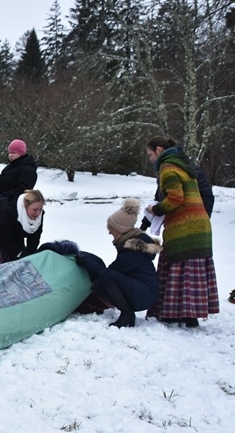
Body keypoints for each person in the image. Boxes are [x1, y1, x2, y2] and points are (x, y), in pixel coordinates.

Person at [144, 137, 219, 327]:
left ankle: (177, 314)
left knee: (177, 265)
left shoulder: (167, 167)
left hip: (184, 226)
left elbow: (175, 198)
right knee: (190, 269)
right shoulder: (184, 165)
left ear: (159, 149)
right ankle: (186, 314)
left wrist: (155, 210)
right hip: (199, 225)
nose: (150, 159)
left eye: (150, 154)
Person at [76, 199, 161, 328]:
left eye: (111, 229)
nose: (109, 232)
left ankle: (127, 313)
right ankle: (127, 313)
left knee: (105, 278)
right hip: (143, 291)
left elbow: (108, 273)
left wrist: (85, 261)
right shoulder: (132, 246)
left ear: (121, 229)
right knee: (102, 282)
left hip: (144, 294)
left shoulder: (131, 251)